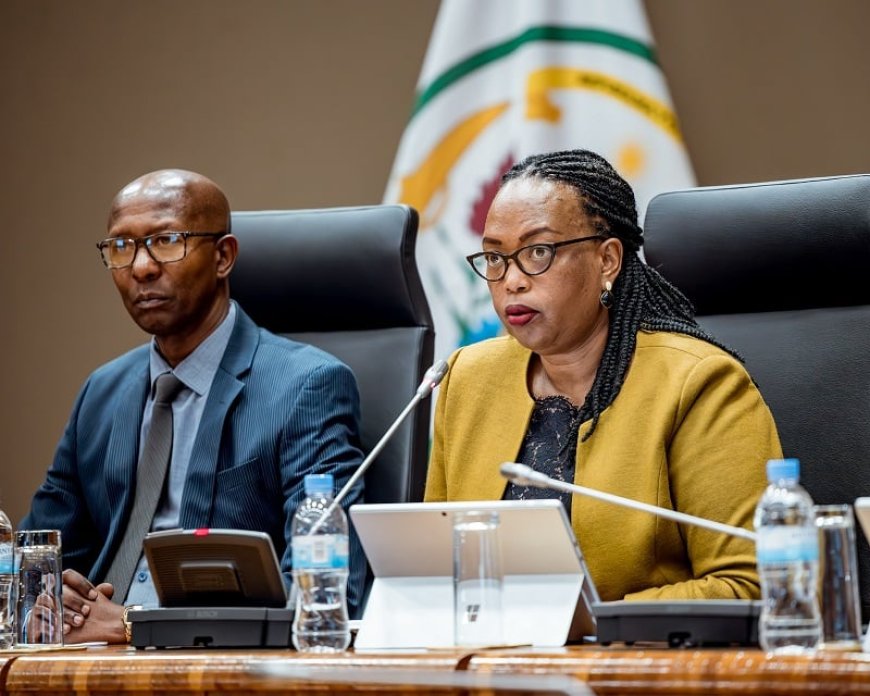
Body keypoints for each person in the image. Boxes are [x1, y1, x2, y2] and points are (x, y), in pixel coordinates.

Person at [22, 169, 366, 643]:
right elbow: (33, 558)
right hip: (88, 655)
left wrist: (133, 623)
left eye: (166, 241)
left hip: (218, 665)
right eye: (121, 247)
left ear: (223, 256)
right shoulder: (101, 392)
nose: (141, 267)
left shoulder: (306, 387)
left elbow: (323, 597)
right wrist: (42, 604)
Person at [425, 149, 781, 601]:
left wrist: (594, 621)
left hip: (642, 646)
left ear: (607, 260)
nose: (512, 280)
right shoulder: (467, 378)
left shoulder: (700, 383)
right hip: (488, 644)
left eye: (538, 252)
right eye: (496, 258)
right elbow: (434, 570)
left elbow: (752, 583)